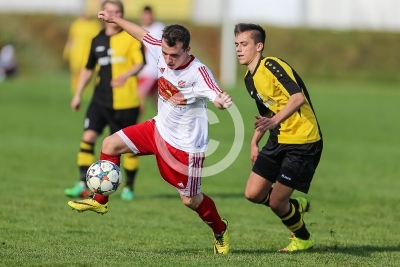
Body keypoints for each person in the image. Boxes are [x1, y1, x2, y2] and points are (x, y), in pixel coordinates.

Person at [68, 8, 233, 255]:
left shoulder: (198, 73)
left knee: (190, 200)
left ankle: (220, 230)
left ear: (187, 50)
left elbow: (215, 93)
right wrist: (115, 19)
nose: (167, 59)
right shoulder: (160, 49)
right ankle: (100, 201)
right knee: (110, 144)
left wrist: (220, 101)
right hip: (157, 129)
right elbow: (142, 34)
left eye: (174, 55)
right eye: (165, 53)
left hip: (186, 146)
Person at [234, 23, 323, 252]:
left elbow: (297, 98)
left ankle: (303, 239)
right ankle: (293, 206)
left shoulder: (272, 65)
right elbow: (266, 113)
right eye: (236, 45)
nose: (239, 49)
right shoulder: (248, 79)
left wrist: (274, 121)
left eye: (244, 44)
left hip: (303, 140)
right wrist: (254, 141)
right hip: (278, 138)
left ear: (259, 46)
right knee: (253, 194)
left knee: (275, 202)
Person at [64, 0, 145, 201]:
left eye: (117, 12)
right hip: (100, 100)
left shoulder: (131, 38)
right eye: (110, 11)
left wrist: (126, 75)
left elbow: (141, 63)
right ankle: (82, 183)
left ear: (122, 14)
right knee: (88, 137)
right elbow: (88, 68)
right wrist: (78, 94)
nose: (113, 15)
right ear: (103, 14)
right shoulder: (97, 40)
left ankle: (129, 186)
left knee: (128, 147)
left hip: (126, 101)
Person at [63, 11, 102, 93]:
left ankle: (87, 87)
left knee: (88, 69)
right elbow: (71, 38)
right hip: (77, 51)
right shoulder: (76, 24)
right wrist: (67, 50)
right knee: (76, 69)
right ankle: (75, 87)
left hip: (89, 50)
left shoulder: (94, 24)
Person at [137, 6, 165, 113]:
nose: (147, 17)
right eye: (145, 15)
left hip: (152, 70)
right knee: (158, 102)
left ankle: (133, 124)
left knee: (139, 96)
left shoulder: (159, 28)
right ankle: (168, 124)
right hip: (144, 70)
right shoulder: (141, 29)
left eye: (149, 14)